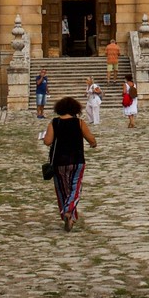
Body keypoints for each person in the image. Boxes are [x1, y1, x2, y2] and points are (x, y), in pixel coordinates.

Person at [42, 96, 97, 230]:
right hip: (76, 161)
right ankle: (69, 211)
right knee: (75, 188)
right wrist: (93, 143)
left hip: (58, 162)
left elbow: (47, 141)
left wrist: (45, 136)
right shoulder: (79, 123)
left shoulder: (54, 123)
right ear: (75, 109)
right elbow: (91, 139)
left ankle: (68, 217)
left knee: (62, 191)